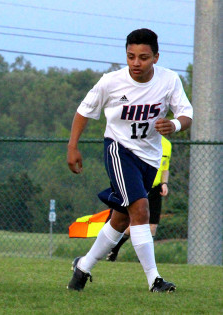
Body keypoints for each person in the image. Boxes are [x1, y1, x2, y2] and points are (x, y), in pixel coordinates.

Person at [66, 28, 192, 292]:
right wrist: (73, 146)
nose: (136, 63)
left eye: (143, 57)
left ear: (156, 57)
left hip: (150, 158)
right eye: (131, 56)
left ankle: (83, 266)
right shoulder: (111, 81)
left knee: (121, 219)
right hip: (119, 150)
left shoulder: (169, 80)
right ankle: (154, 280)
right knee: (141, 209)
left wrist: (174, 125)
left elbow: (186, 114)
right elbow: (84, 111)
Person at [106, 136, 172, 261]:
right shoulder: (144, 140)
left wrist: (164, 183)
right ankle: (114, 248)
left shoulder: (167, 144)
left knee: (152, 226)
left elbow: (165, 167)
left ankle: (145, 260)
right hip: (140, 186)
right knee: (133, 224)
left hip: (155, 189)